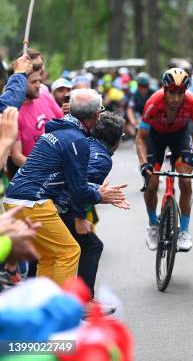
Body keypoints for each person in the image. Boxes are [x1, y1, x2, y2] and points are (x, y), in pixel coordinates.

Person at [3, 89, 128, 286]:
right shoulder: (77, 140)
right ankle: (61, 311)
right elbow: (77, 189)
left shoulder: (59, 130)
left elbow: (72, 182)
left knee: (48, 256)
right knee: (69, 251)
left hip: (15, 199)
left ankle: (41, 307)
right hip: (33, 202)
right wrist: (99, 195)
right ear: (96, 114)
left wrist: (94, 191)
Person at [137, 68, 193, 252]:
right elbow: (141, 138)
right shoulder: (153, 103)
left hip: (180, 137)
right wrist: (144, 163)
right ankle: (153, 224)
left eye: (180, 93)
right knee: (151, 184)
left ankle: (184, 230)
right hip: (155, 138)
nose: (176, 98)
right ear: (164, 89)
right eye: (172, 93)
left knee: (185, 180)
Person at [57, 112, 124, 297]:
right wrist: (80, 217)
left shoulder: (84, 142)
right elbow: (79, 187)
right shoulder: (101, 158)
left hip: (42, 198)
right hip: (60, 205)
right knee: (92, 246)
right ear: (117, 140)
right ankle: (83, 300)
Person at [9, 68, 63, 172]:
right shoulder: (13, 112)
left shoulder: (45, 95)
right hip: (34, 176)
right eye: (34, 82)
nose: (39, 85)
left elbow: (64, 123)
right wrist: (43, 169)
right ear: (19, 84)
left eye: (39, 81)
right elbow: (16, 156)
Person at [126, 72, 155, 137]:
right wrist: (133, 121)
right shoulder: (134, 93)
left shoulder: (154, 92)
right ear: (138, 85)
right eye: (141, 86)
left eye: (145, 86)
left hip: (152, 115)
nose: (143, 88)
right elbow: (130, 108)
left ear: (148, 85)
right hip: (138, 115)